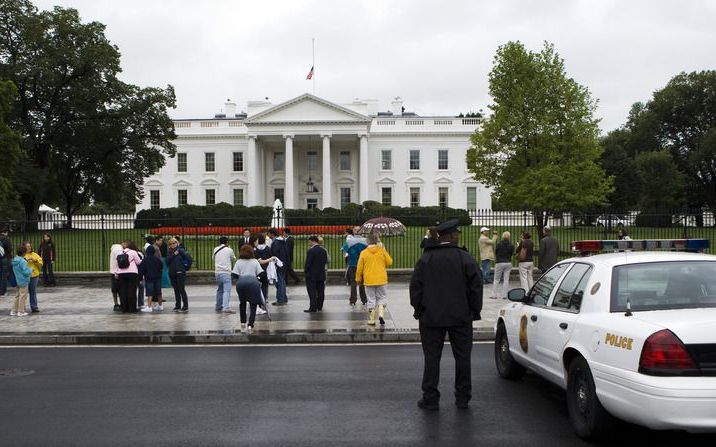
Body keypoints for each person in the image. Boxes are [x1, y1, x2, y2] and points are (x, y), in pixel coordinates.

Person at [409, 218, 483, 411]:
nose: (458, 236)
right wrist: (475, 310)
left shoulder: (426, 258)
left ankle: (430, 397)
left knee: (432, 358)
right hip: (460, 316)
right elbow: (476, 287)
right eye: (456, 233)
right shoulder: (464, 257)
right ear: (451, 236)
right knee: (463, 358)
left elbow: (415, 288)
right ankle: (462, 397)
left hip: (431, 317)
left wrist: (419, 309)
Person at [355, 233, 393, 326]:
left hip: (369, 279)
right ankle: (381, 314)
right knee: (382, 297)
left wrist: (358, 278)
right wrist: (384, 250)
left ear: (367, 241)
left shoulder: (364, 253)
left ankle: (372, 320)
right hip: (381, 279)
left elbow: (359, 268)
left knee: (371, 299)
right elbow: (389, 262)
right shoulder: (381, 251)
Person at [232, 244, 265, 332]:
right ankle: (250, 324)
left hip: (241, 283)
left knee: (242, 303)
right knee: (253, 304)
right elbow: (261, 274)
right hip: (253, 283)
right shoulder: (254, 261)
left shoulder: (238, 262)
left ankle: (243, 322)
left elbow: (234, 275)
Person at [113, 240, 143, 313]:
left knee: (123, 291)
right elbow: (138, 262)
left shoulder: (119, 253)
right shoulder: (133, 252)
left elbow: (117, 264)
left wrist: (116, 273)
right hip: (132, 273)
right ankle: (132, 309)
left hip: (121, 274)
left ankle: (124, 308)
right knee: (132, 291)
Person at [342, 230, 368, 305]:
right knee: (362, 283)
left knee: (353, 283)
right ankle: (364, 300)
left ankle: (353, 300)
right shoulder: (365, 241)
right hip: (361, 264)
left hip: (352, 264)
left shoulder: (350, 241)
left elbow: (344, 249)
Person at [303, 235, 328, 312]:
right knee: (321, 291)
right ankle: (319, 306)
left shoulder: (310, 251)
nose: (309, 243)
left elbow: (308, 263)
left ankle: (313, 307)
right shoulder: (323, 250)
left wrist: (306, 272)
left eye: (309, 241)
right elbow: (325, 261)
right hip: (321, 273)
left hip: (312, 275)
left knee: (312, 291)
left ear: (313, 241)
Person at [213, 236, 236, 313]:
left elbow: (213, 258)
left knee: (220, 290)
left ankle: (218, 306)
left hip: (217, 272)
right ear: (227, 242)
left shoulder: (215, 249)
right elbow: (234, 259)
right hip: (226, 272)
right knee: (227, 290)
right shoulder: (229, 250)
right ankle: (226, 307)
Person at [167, 237, 191, 312]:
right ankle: (177, 306)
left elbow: (187, 258)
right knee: (176, 290)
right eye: (171, 243)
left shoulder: (181, 250)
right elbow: (167, 261)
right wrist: (174, 254)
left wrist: (185, 267)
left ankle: (185, 306)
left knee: (181, 289)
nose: (172, 244)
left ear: (177, 243)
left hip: (180, 272)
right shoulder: (169, 252)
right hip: (172, 273)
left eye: (174, 243)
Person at [267, 228, 289, 306]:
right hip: (283, 263)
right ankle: (284, 298)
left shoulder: (275, 242)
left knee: (279, 282)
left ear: (272, 234)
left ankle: (280, 299)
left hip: (278, 264)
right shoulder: (282, 241)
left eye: (268, 233)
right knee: (282, 281)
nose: (268, 235)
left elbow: (274, 253)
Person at [138, 245, 164, 312]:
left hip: (149, 278)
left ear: (146, 252)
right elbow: (161, 266)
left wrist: (140, 278)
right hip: (158, 277)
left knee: (150, 292)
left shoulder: (145, 260)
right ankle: (160, 305)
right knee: (159, 292)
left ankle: (149, 307)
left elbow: (141, 270)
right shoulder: (157, 259)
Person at [10, 245, 32, 316]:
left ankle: (13, 311)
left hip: (17, 280)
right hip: (23, 281)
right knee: (23, 296)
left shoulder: (15, 260)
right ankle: (21, 311)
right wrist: (31, 270)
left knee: (17, 295)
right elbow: (25, 272)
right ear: (24, 252)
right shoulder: (23, 261)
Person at [492, 232, 514, 299]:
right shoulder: (511, 245)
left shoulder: (499, 244)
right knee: (506, 279)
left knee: (496, 279)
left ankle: (494, 294)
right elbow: (512, 253)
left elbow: (496, 252)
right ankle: (504, 295)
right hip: (508, 262)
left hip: (500, 262)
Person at [23, 241, 43, 313]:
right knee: (23, 293)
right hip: (25, 276)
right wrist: (26, 260)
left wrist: (35, 261)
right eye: (27, 246)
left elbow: (41, 263)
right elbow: (17, 263)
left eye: (29, 246)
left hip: (34, 275)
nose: (29, 247)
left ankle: (34, 307)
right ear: (24, 247)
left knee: (33, 291)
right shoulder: (22, 255)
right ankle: (22, 308)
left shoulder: (35, 255)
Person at [109, 243, 124, 311]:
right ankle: (120, 304)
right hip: (117, 272)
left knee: (114, 290)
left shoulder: (113, 249)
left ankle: (116, 304)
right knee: (120, 289)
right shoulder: (118, 249)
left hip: (112, 272)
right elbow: (120, 260)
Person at [0, 228, 14, 296]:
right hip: (6, 258)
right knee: (4, 276)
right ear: (6, 232)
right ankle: (3, 291)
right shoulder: (7, 239)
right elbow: (10, 249)